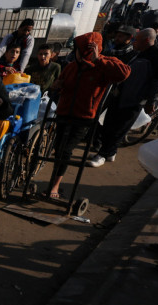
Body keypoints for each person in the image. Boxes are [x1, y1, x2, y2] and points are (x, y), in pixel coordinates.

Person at [47, 32, 130, 198]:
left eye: (78, 49)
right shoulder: (71, 67)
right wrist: (56, 85)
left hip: (83, 117)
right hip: (64, 113)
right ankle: (53, 185)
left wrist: (98, 59)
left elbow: (124, 73)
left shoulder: (103, 66)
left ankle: (54, 187)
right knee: (58, 150)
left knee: (65, 151)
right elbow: (60, 85)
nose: (74, 53)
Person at [88, 28, 158, 168]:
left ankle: (102, 154)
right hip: (120, 95)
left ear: (145, 40)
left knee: (118, 129)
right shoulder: (137, 53)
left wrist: (151, 102)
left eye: (136, 39)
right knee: (108, 124)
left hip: (134, 99)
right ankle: (110, 152)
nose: (133, 42)